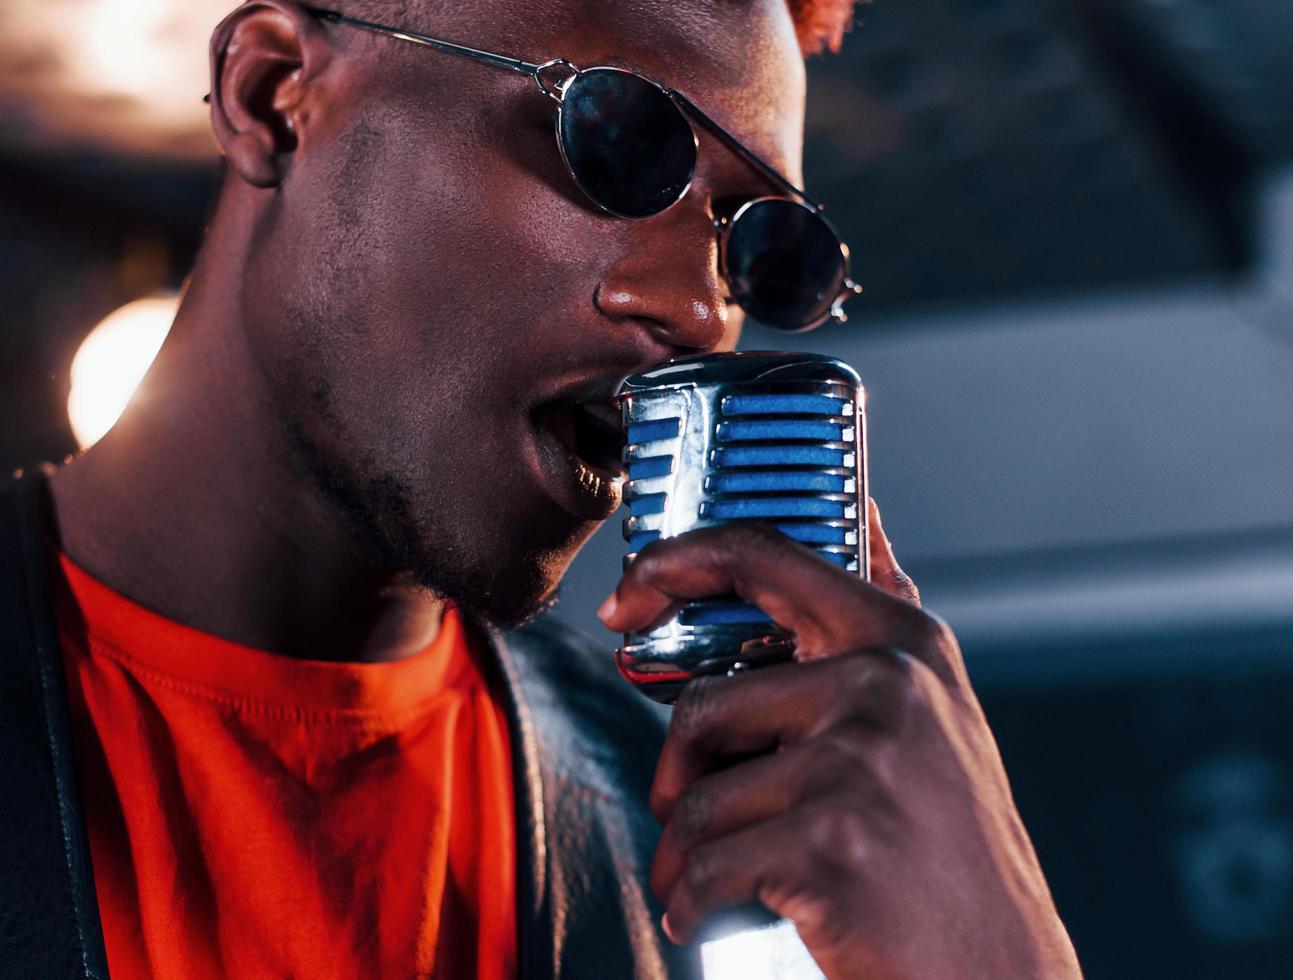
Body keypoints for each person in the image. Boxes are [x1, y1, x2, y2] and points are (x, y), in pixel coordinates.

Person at [0, 0, 1082, 977]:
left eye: (757, 250)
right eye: (616, 146)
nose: (698, 315)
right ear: (275, 95)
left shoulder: (704, 854)